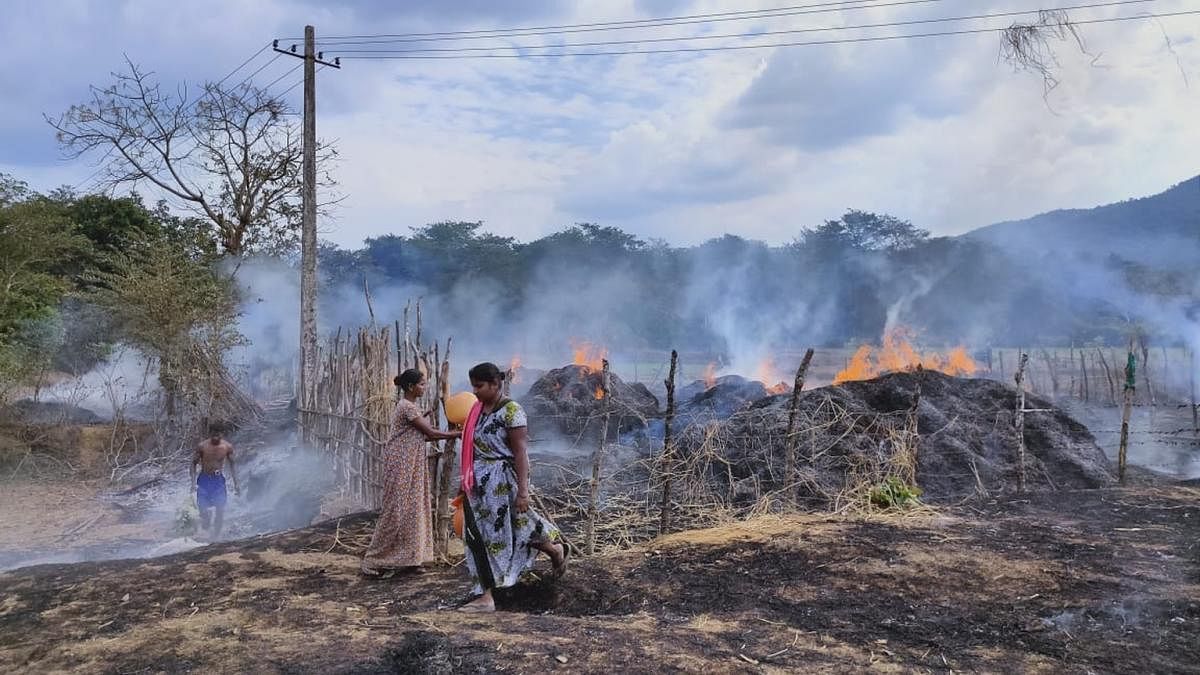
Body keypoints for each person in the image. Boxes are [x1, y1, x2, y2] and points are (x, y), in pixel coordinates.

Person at [458, 362, 569, 613]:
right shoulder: (477, 411)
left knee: (508, 532)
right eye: (473, 385)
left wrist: (523, 491)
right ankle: (553, 551)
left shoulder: (512, 412)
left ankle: (488, 597)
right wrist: (465, 480)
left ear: (496, 384)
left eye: (479, 386)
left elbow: (520, 454)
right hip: (478, 485)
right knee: (479, 536)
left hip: (502, 482)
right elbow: (473, 447)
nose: (474, 391)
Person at [362, 368, 461, 576]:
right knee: (396, 510)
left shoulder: (410, 407)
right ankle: (373, 560)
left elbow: (414, 432)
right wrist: (457, 433)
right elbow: (431, 434)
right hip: (401, 463)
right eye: (422, 384)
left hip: (412, 463)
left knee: (415, 508)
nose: (425, 388)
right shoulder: (407, 407)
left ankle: (412, 559)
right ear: (410, 387)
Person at [190, 428, 240, 540]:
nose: (216, 438)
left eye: (218, 435)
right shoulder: (202, 446)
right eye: (213, 435)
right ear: (210, 434)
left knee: (220, 510)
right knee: (203, 512)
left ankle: (216, 538)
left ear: (222, 434)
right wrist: (193, 483)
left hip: (218, 481)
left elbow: (233, 466)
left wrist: (236, 483)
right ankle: (206, 519)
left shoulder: (227, 447)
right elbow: (193, 464)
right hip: (204, 480)